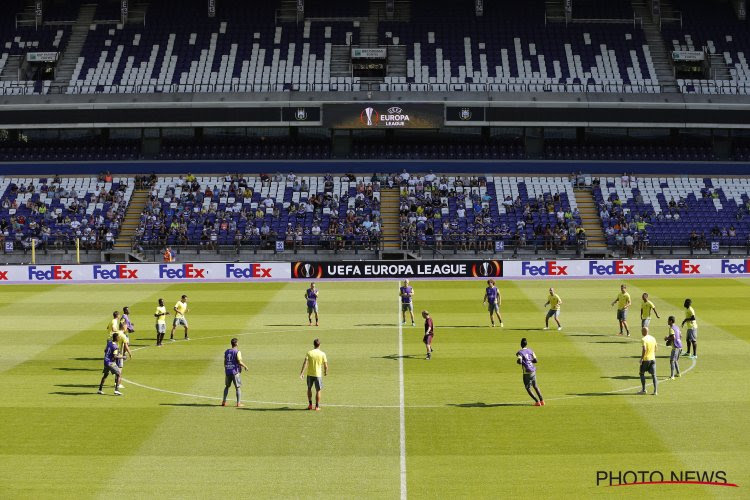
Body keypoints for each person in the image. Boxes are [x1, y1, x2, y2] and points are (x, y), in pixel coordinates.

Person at [299, 338, 328, 411]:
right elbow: (325, 365)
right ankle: (317, 406)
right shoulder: (322, 354)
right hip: (318, 374)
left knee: (309, 388)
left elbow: (305, 363)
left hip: (309, 374)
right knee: (318, 390)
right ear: (319, 345)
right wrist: (325, 371)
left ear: (313, 344)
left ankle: (310, 405)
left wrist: (302, 373)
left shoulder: (309, 353)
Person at [516, 338, 544, 406]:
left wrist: (520, 361)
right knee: (535, 386)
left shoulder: (520, 352)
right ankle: (542, 401)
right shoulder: (531, 351)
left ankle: (537, 402)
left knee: (528, 388)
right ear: (526, 344)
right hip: (533, 370)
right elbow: (536, 360)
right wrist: (529, 361)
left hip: (526, 372)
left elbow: (519, 361)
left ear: (521, 344)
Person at [221, 338, 249, 407]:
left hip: (228, 371)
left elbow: (225, 362)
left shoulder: (227, 351)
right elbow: (239, 361)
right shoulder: (237, 352)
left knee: (227, 387)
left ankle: (223, 402)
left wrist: (227, 368)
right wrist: (245, 366)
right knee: (238, 387)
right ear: (236, 343)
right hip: (235, 372)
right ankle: (238, 403)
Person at [638, 327, 658, 395]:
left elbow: (644, 349)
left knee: (641, 373)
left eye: (642, 331)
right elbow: (656, 349)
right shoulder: (653, 338)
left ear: (644, 332)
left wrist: (641, 358)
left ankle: (644, 390)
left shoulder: (643, 339)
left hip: (646, 359)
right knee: (654, 375)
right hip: (653, 359)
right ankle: (655, 391)